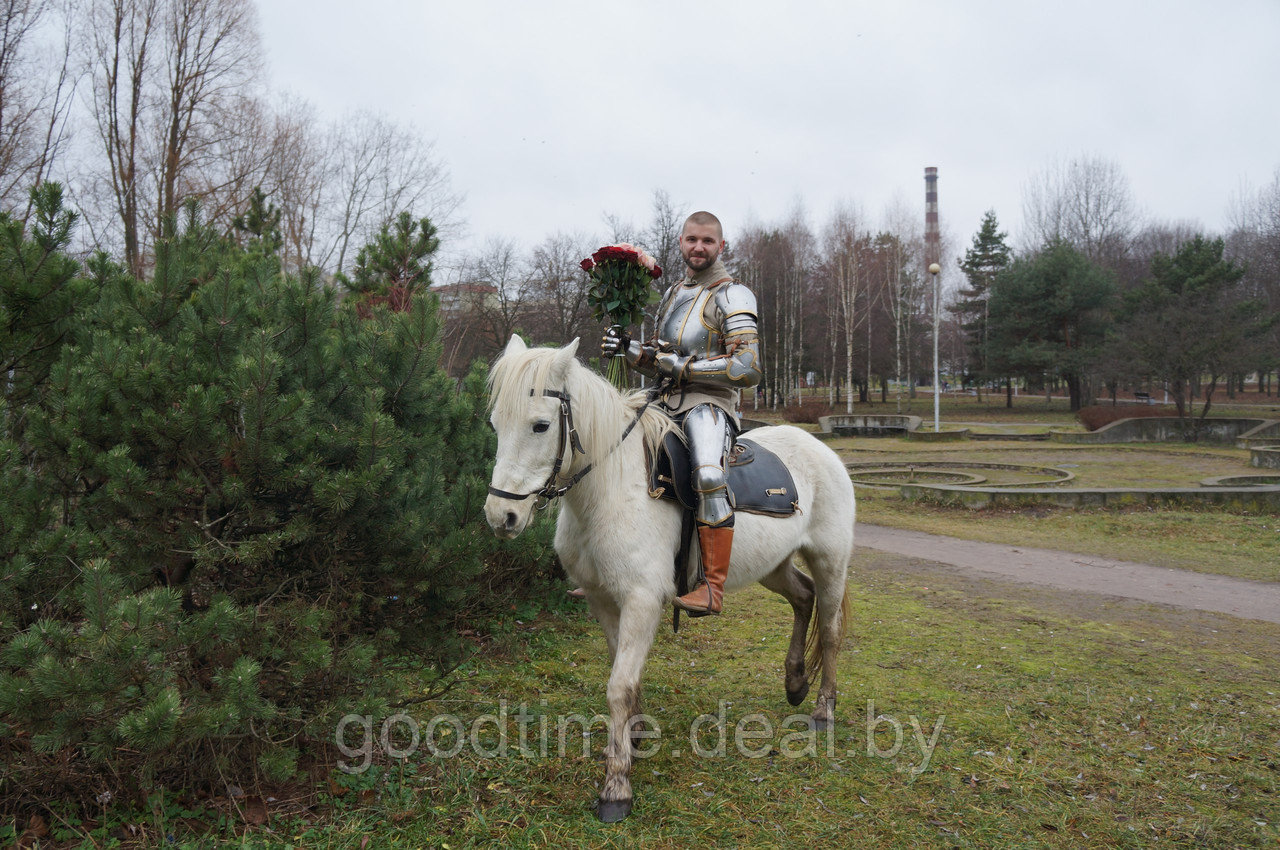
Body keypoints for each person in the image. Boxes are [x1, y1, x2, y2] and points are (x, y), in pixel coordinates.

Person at [600, 211, 762, 615]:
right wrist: (630, 349)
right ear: (681, 242)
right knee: (613, 456)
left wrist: (685, 368)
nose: (699, 248)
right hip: (663, 399)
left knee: (708, 474)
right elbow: (660, 357)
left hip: (710, 401)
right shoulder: (674, 293)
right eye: (692, 240)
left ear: (720, 246)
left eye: (707, 241)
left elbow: (747, 368)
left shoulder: (733, 295)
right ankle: (612, 569)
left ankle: (711, 586)